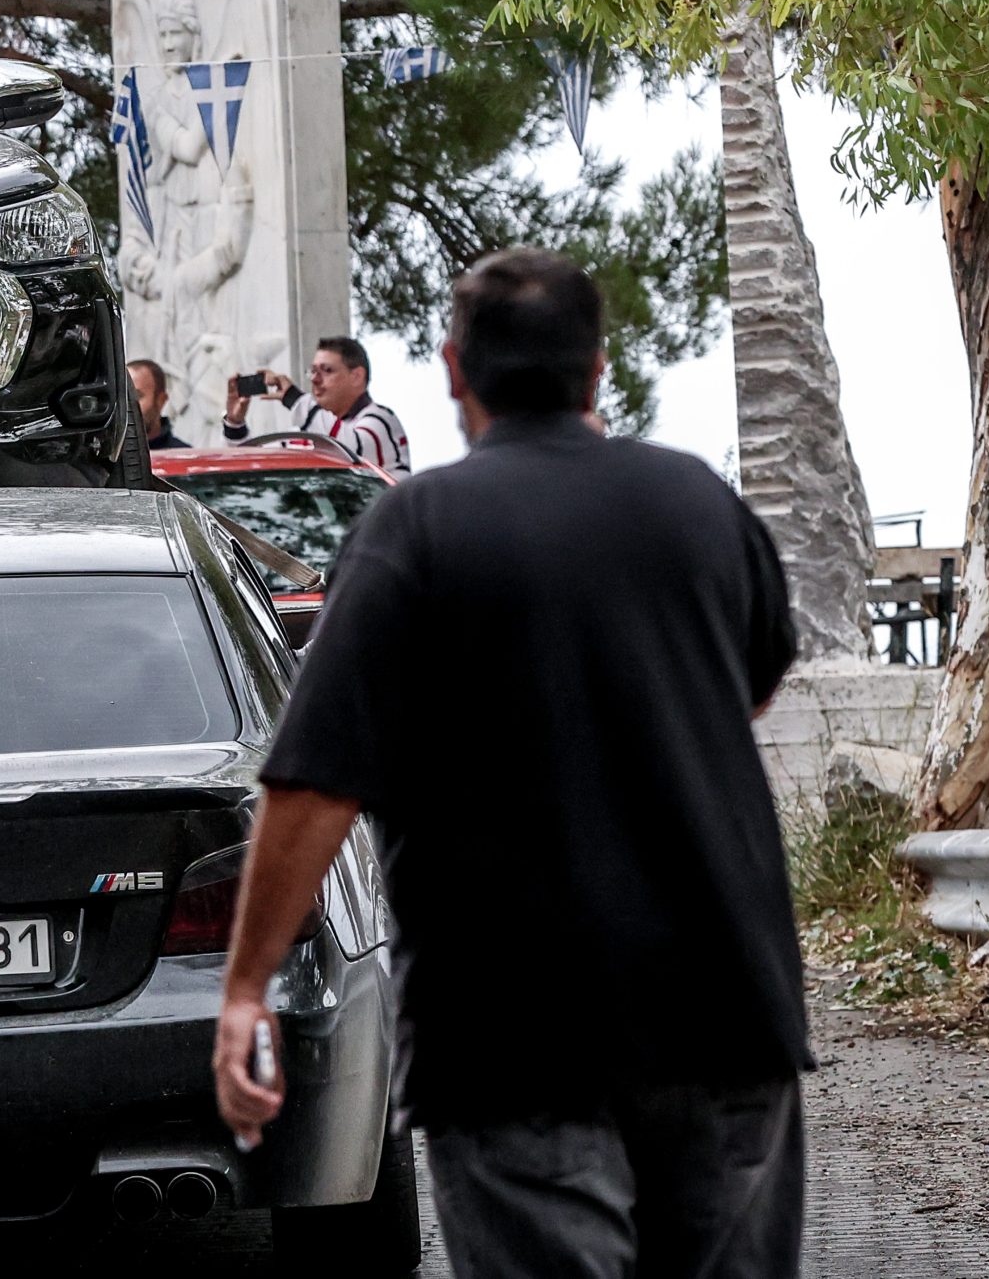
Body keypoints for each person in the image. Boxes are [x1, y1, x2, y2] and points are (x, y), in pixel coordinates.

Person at [212, 249, 806, 1279]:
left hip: (510, 1036)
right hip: (724, 1014)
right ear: (598, 367)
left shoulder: (412, 532)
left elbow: (313, 783)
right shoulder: (700, 504)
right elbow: (749, 687)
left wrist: (245, 989)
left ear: (453, 369)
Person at [222, 334, 408, 473]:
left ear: (357, 376)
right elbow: (252, 467)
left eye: (326, 370)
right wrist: (235, 425)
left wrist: (294, 399)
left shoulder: (381, 421)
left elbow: (352, 450)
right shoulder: (311, 433)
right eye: (312, 371)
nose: (315, 379)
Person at [127, 359, 189, 450]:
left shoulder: (182, 454)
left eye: (136, 396)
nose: (127, 405)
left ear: (161, 400)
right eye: (122, 397)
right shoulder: (108, 455)